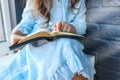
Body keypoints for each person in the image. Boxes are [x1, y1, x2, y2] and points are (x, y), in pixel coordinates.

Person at [0, 0, 95, 80]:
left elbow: (81, 24)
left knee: (66, 44)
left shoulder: (78, 1)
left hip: (65, 43)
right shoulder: (35, 1)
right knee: (63, 46)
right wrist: (16, 35)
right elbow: (25, 24)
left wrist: (71, 27)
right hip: (39, 47)